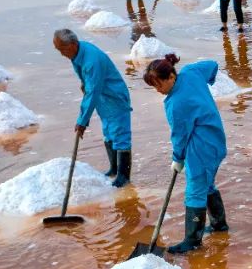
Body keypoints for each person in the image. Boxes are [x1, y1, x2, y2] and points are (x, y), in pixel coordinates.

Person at [143, 54, 229, 254]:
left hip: (201, 147)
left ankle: (192, 240)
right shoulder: (191, 72)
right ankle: (219, 225)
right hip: (216, 139)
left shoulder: (176, 104)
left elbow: (180, 137)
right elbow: (212, 64)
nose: (158, 90)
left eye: (159, 84)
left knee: (195, 191)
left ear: (171, 77)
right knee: (206, 185)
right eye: (154, 87)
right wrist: (207, 84)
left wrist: (178, 159)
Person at [53, 29, 134, 188]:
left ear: (73, 45)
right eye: (58, 50)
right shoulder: (77, 53)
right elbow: (89, 84)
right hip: (102, 98)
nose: (61, 53)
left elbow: (92, 91)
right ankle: (114, 169)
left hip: (114, 97)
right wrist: (84, 83)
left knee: (120, 135)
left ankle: (123, 177)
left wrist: (82, 121)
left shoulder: (92, 60)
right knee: (109, 133)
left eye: (62, 49)